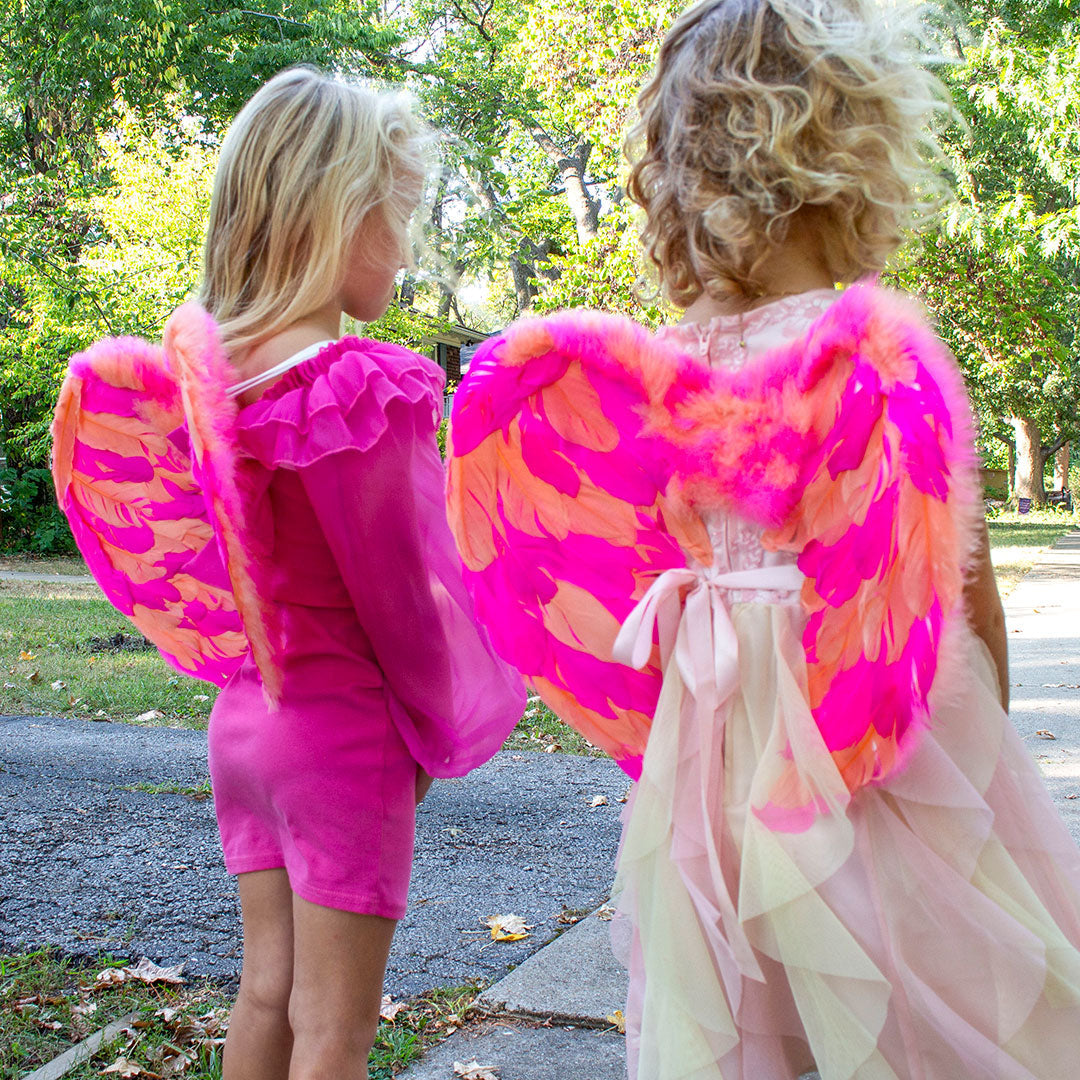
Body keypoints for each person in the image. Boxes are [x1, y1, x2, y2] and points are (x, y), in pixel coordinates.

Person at [443, 2, 1080, 1077]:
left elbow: (609, 553)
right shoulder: (874, 351)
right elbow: (949, 588)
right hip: (866, 721)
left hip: (712, 753)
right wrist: (988, 761)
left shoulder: (655, 370)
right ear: (850, 148)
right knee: (924, 999)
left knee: (753, 1010)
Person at [51, 68, 525, 1080]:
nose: (405, 249)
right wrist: (440, 714)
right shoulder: (359, 390)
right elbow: (405, 589)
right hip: (340, 738)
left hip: (245, 724)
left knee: (265, 994)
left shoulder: (210, 384)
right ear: (342, 219)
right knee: (336, 1029)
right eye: (399, 218)